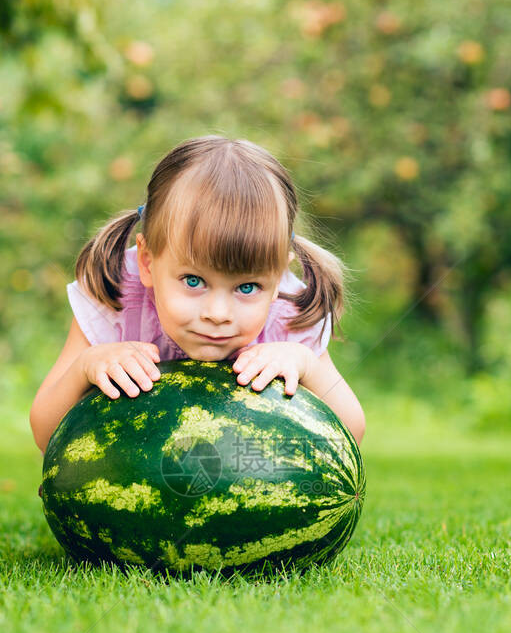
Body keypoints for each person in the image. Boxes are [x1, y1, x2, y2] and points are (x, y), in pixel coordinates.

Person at [30, 135, 365, 453]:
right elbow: (45, 434)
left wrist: (307, 365)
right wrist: (84, 368)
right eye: (193, 281)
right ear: (147, 262)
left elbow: (351, 432)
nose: (217, 313)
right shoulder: (115, 296)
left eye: (247, 287)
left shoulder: (289, 315)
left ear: (278, 278)